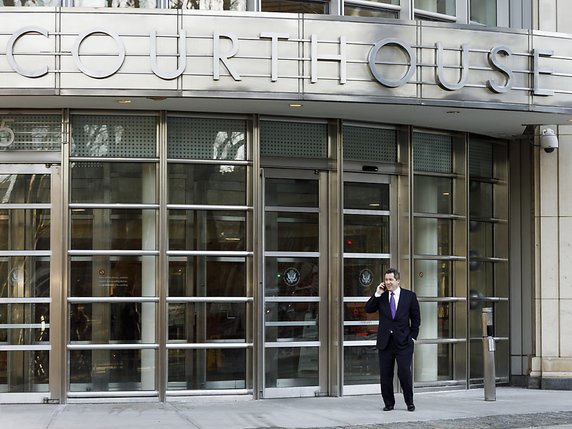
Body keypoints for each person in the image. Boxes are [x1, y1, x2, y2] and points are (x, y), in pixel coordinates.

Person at [365, 268, 421, 412]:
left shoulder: (409, 296)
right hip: (385, 342)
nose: (388, 282)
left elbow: (416, 318)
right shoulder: (381, 296)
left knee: (404, 373)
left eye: (390, 280)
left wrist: (413, 337)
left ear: (398, 280)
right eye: (386, 280)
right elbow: (368, 309)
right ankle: (389, 403)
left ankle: (409, 402)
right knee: (386, 374)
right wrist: (377, 293)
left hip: (404, 342)